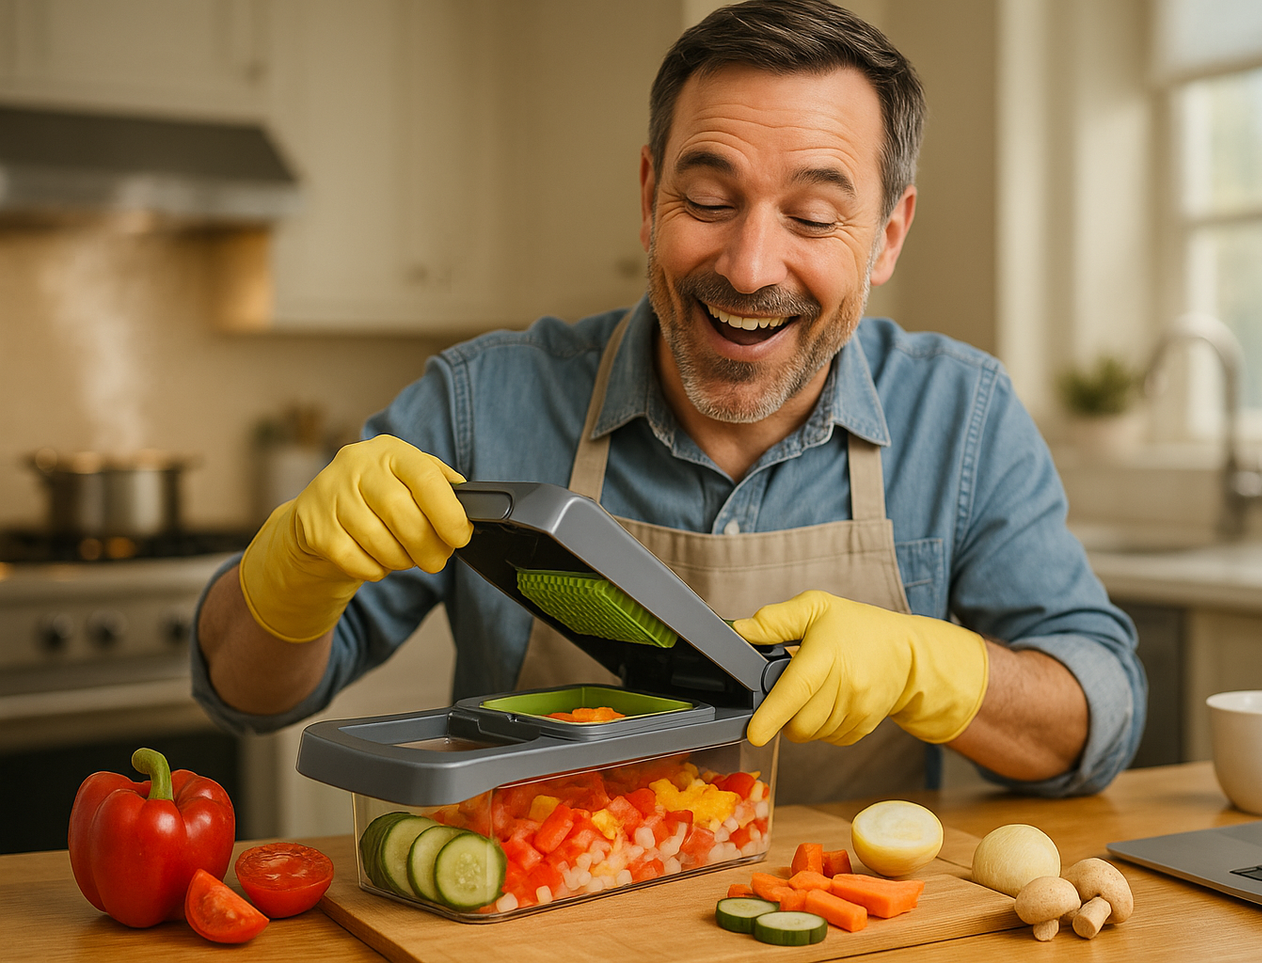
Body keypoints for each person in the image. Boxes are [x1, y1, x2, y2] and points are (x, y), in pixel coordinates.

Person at [194, 0, 1145, 803]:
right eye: (707, 198)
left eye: (812, 217)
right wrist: (292, 573)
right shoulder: (483, 402)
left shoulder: (961, 414)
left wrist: (937, 670)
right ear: (650, 197)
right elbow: (249, 696)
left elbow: (1099, 716)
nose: (748, 266)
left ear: (887, 235)